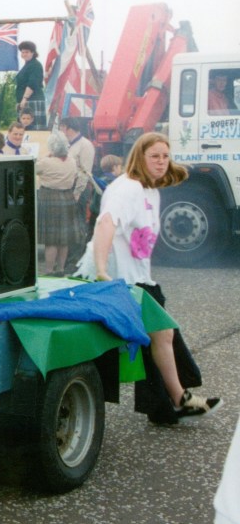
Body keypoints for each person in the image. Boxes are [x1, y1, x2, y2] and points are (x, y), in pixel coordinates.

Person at [92, 132, 221, 424]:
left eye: (165, 156)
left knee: (160, 336)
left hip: (140, 278)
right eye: (154, 156)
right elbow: (105, 223)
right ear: (140, 157)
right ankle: (179, 400)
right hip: (121, 280)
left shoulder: (150, 190)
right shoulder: (127, 189)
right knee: (163, 333)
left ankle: (165, 406)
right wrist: (101, 270)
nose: (161, 162)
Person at [36, 131, 84, 276]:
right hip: (68, 198)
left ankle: (49, 271)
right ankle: (61, 269)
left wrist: (46, 156)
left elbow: (34, 168)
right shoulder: (72, 161)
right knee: (64, 239)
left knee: (51, 240)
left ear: (51, 147)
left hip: (49, 198)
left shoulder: (45, 162)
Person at [59, 117, 96, 267]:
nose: (61, 131)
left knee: (78, 223)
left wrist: (76, 194)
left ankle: (76, 259)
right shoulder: (68, 144)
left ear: (68, 128)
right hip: (67, 187)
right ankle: (67, 259)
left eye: (62, 128)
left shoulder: (85, 145)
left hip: (79, 188)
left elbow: (85, 173)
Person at [15, 41, 46, 128]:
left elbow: (32, 83)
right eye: (23, 52)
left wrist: (24, 98)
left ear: (33, 52)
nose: (24, 54)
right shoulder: (27, 65)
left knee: (34, 128)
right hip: (24, 101)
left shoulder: (35, 65)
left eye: (27, 52)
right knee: (22, 129)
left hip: (32, 100)